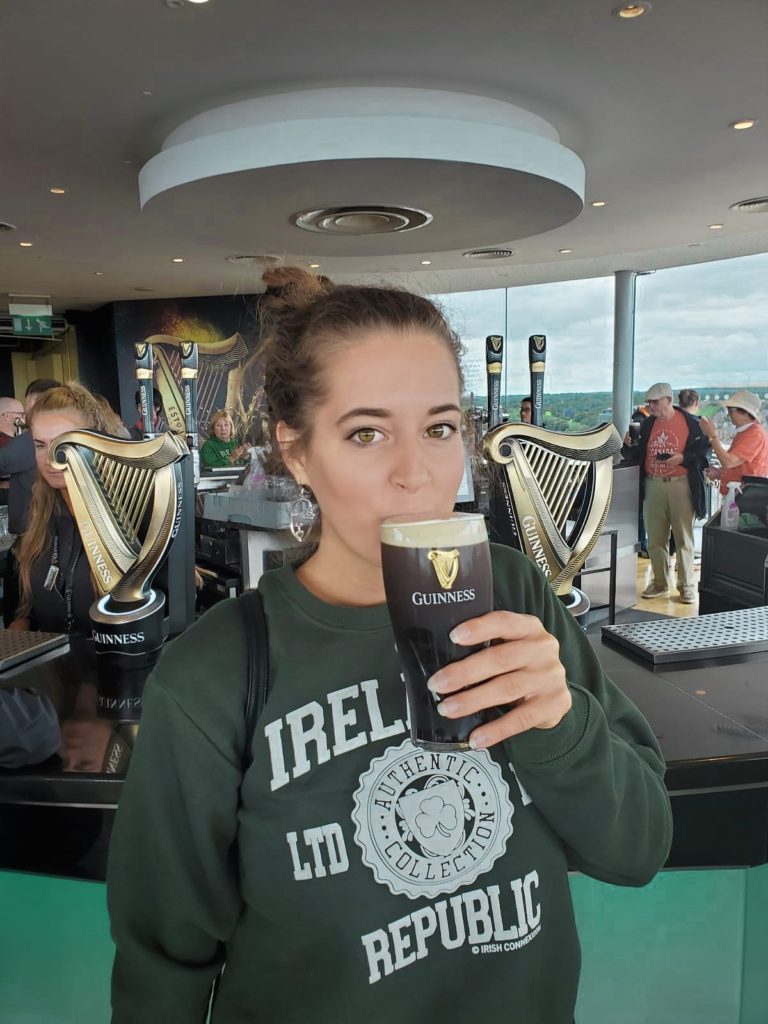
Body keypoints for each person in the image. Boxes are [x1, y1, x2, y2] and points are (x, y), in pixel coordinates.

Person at [108, 271, 671, 1023]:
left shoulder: (515, 593)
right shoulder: (214, 673)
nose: (417, 475)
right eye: (366, 433)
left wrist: (561, 726)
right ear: (298, 453)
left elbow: (637, 850)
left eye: (439, 428)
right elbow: (162, 961)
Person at [10, 383, 122, 636]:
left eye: (64, 443)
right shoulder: (39, 516)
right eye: (40, 445)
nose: (50, 458)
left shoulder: (133, 519)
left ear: (96, 442)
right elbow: (26, 607)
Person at [621, 382, 709, 603]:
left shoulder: (691, 423)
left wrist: (682, 459)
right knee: (656, 538)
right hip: (653, 484)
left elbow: (702, 454)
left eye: (655, 402)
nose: (650, 406)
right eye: (649, 402)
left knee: (683, 538)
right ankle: (660, 583)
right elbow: (634, 455)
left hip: (681, 483)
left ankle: (687, 586)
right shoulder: (648, 424)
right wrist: (628, 445)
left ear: (669, 401)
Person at [0, 379, 60, 534]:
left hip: (35, 525)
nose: (25, 414)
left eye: (25, 406)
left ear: (35, 402)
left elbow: (4, 461)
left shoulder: (36, 435)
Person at [701, 389, 768, 494]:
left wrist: (712, 436)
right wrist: (720, 473)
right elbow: (737, 465)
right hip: (740, 494)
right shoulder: (745, 432)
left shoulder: (755, 434)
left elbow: (729, 462)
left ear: (746, 413)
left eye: (731, 411)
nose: (729, 415)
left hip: (747, 497)